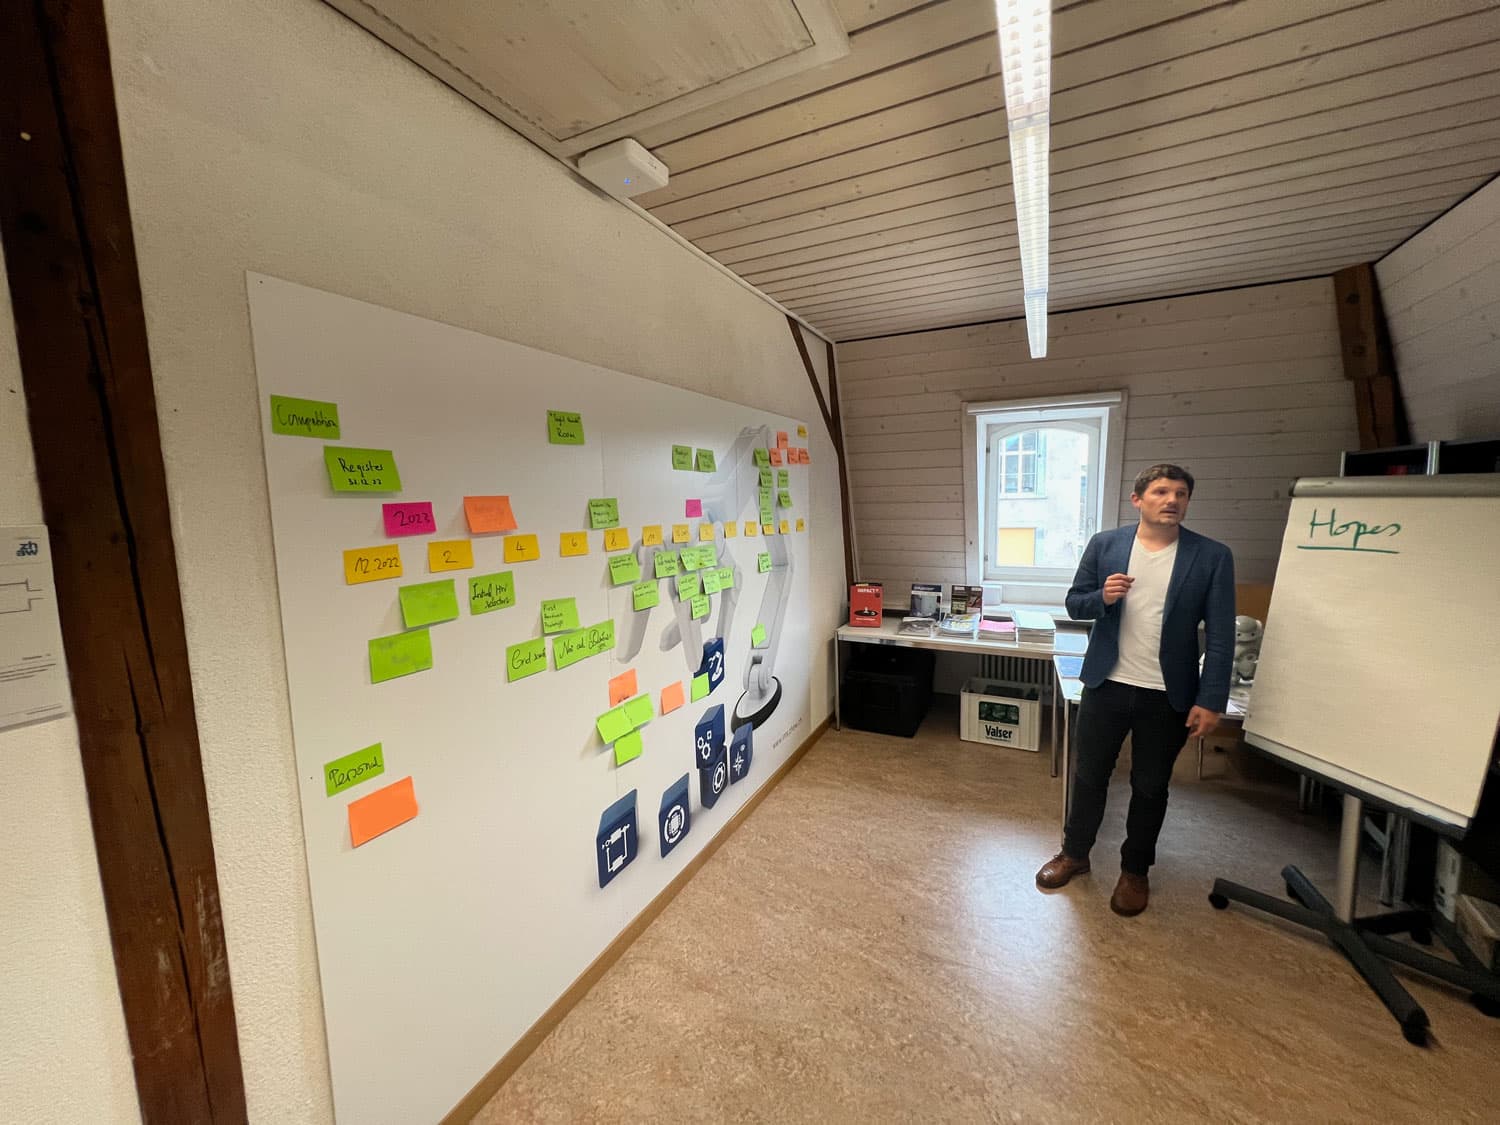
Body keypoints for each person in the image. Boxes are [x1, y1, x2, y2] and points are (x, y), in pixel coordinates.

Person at [1035, 463, 1234, 916]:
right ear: (1138, 499)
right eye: (1161, 491)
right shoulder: (1106, 545)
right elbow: (1075, 602)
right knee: (1088, 777)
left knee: (1150, 786)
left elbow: (1222, 634)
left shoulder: (1211, 556)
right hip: (1107, 683)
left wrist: (1211, 699)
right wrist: (1101, 598)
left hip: (1168, 694)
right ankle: (1075, 854)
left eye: (1181, 493)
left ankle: (1135, 871)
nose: (1172, 500)